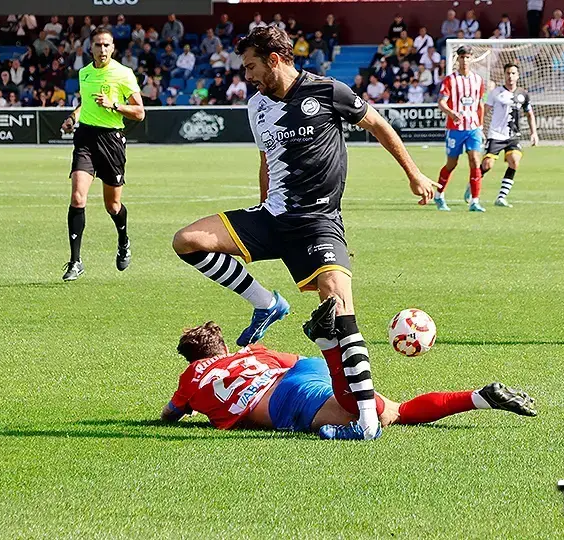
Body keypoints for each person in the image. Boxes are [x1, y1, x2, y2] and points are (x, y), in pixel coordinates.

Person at [171, 27, 438, 441]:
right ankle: (266, 302)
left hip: (317, 222)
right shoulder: (257, 105)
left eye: (252, 66)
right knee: (187, 240)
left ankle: (366, 422)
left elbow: (379, 125)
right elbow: (266, 159)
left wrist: (414, 173)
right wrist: (261, 203)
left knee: (338, 305)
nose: (248, 75)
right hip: (272, 218)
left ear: (275, 59)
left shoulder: (328, 91)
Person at [162, 305, 536, 439]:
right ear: (223, 348)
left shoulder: (191, 377)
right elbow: (294, 362)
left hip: (279, 402)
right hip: (295, 375)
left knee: (362, 415)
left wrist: (194, 406)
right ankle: (479, 397)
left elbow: (170, 415)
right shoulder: (249, 352)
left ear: (191, 358)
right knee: (392, 412)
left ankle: (329, 343)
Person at [60, 28, 145, 280]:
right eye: (98, 45)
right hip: (85, 137)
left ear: (113, 48)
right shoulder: (84, 73)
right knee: (77, 197)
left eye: (107, 45)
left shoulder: (123, 74)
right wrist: (72, 117)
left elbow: (140, 112)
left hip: (111, 141)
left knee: (112, 205)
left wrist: (114, 105)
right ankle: (75, 262)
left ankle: (123, 240)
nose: (103, 49)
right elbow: (85, 102)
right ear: (91, 48)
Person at [434, 46, 486, 212]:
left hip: (473, 128)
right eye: (462, 57)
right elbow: (441, 102)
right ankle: (439, 195)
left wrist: (481, 125)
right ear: (458, 59)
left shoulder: (478, 80)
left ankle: (475, 201)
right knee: (451, 163)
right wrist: (451, 113)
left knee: (475, 161)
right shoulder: (450, 80)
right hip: (455, 128)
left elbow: (480, 104)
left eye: (467, 57)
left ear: (471, 59)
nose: (464, 60)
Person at [480, 64, 539, 208]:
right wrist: (479, 128)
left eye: (513, 73)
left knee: (514, 161)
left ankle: (501, 197)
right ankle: (473, 184)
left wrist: (534, 133)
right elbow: (485, 110)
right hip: (496, 134)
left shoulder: (523, 94)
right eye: (508, 73)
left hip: (513, 136)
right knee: (487, 165)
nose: (510, 76)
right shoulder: (495, 93)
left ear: (518, 76)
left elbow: (529, 113)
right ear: (504, 75)